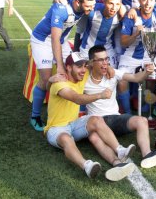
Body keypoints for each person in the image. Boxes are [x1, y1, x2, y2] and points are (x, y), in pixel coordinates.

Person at [44, 52, 136, 181]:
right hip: (56, 129)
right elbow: (77, 99)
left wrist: (108, 67)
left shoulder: (82, 74)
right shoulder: (60, 83)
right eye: (79, 66)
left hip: (74, 124)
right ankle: (87, 166)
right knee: (66, 139)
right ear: (69, 67)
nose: (83, 70)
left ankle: (120, 150)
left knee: (96, 119)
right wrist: (100, 95)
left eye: (84, 66)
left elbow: (97, 63)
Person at [84, 45, 156, 168]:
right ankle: (116, 163)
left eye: (106, 59)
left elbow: (134, 77)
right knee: (94, 137)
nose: (105, 63)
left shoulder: (113, 73)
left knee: (142, 120)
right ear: (91, 63)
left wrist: (146, 72)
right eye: (101, 60)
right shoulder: (83, 78)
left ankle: (147, 155)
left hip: (114, 119)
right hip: (97, 122)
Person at [29, 0, 96, 131]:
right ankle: (35, 115)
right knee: (46, 79)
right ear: (77, 3)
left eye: (92, 6)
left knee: (77, 68)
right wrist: (59, 65)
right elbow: (54, 38)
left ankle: (78, 108)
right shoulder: (61, 9)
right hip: (43, 40)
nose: (90, 9)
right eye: (87, 6)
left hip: (61, 39)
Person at [78, 0, 122, 68]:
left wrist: (132, 11)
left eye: (117, 4)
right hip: (88, 48)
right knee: (85, 75)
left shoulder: (121, 14)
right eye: (111, 3)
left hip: (107, 49)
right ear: (104, 2)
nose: (114, 7)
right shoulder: (93, 10)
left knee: (111, 75)